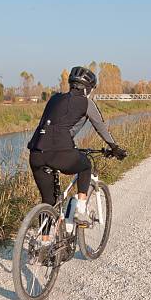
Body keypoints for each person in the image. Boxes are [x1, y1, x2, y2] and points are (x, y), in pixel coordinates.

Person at [27, 66, 127, 227]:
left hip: (36, 152)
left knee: (48, 201)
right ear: (88, 88)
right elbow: (100, 126)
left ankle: (44, 244)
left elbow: (55, 125)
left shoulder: (54, 98)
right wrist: (115, 148)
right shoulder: (87, 103)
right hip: (60, 152)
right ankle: (80, 211)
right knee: (86, 166)